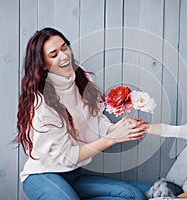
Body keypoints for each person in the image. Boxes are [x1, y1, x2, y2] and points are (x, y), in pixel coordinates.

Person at [15, 27, 148, 200]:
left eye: (64, 48)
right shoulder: (41, 102)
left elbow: (94, 119)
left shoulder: (81, 76)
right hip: (43, 176)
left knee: (135, 195)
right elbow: (68, 156)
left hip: (73, 175)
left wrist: (117, 129)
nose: (64, 56)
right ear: (42, 63)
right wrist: (113, 138)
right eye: (54, 55)